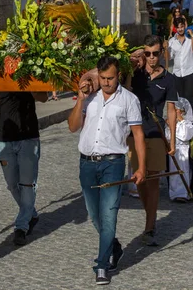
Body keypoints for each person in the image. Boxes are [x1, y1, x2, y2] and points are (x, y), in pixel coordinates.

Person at [67, 56, 146, 285]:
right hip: (87, 163)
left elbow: (138, 135)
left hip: (113, 162)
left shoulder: (129, 100)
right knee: (95, 215)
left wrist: (141, 167)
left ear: (118, 75)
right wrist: (80, 101)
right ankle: (114, 246)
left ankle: (102, 265)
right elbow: (72, 127)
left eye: (110, 78)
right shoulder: (89, 96)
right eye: (102, 78)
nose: (106, 82)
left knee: (109, 214)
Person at [127, 35, 177, 246]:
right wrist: (130, 64)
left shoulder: (168, 79)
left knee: (153, 180)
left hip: (156, 133)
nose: (151, 58)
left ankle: (149, 226)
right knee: (139, 179)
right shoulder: (136, 74)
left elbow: (172, 110)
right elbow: (125, 91)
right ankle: (150, 214)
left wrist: (172, 140)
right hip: (134, 132)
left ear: (161, 52)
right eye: (147, 54)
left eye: (155, 54)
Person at [0, 91, 48, 245]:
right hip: (5, 139)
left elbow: (43, 97)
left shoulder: (30, 71)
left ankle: (21, 227)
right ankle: (30, 214)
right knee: (12, 184)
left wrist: (31, 88)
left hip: (28, 137)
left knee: (27, 184)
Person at [166, 98, 193, 202]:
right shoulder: (170, 123)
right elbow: (167, 136)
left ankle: (183, 193)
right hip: (173, 152)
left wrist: (180, 120)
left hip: (183, 151)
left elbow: (185, 136)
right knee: (173, 174)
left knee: (183, 172)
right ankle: (174, 193)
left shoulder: (187, 124)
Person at [168, 19, 193, 107]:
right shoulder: (172, 41)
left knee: (188, 97)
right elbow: (168, 57)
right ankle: (183, 119)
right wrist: (165, 48)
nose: (180, 29)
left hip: (190, 71)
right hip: (177, 73)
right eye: (178, 27)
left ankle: (190, 119)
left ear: (185, 26)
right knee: (181, 98)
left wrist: (192, 37)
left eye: (181, 27)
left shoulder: (191, 38)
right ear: (175, 28)